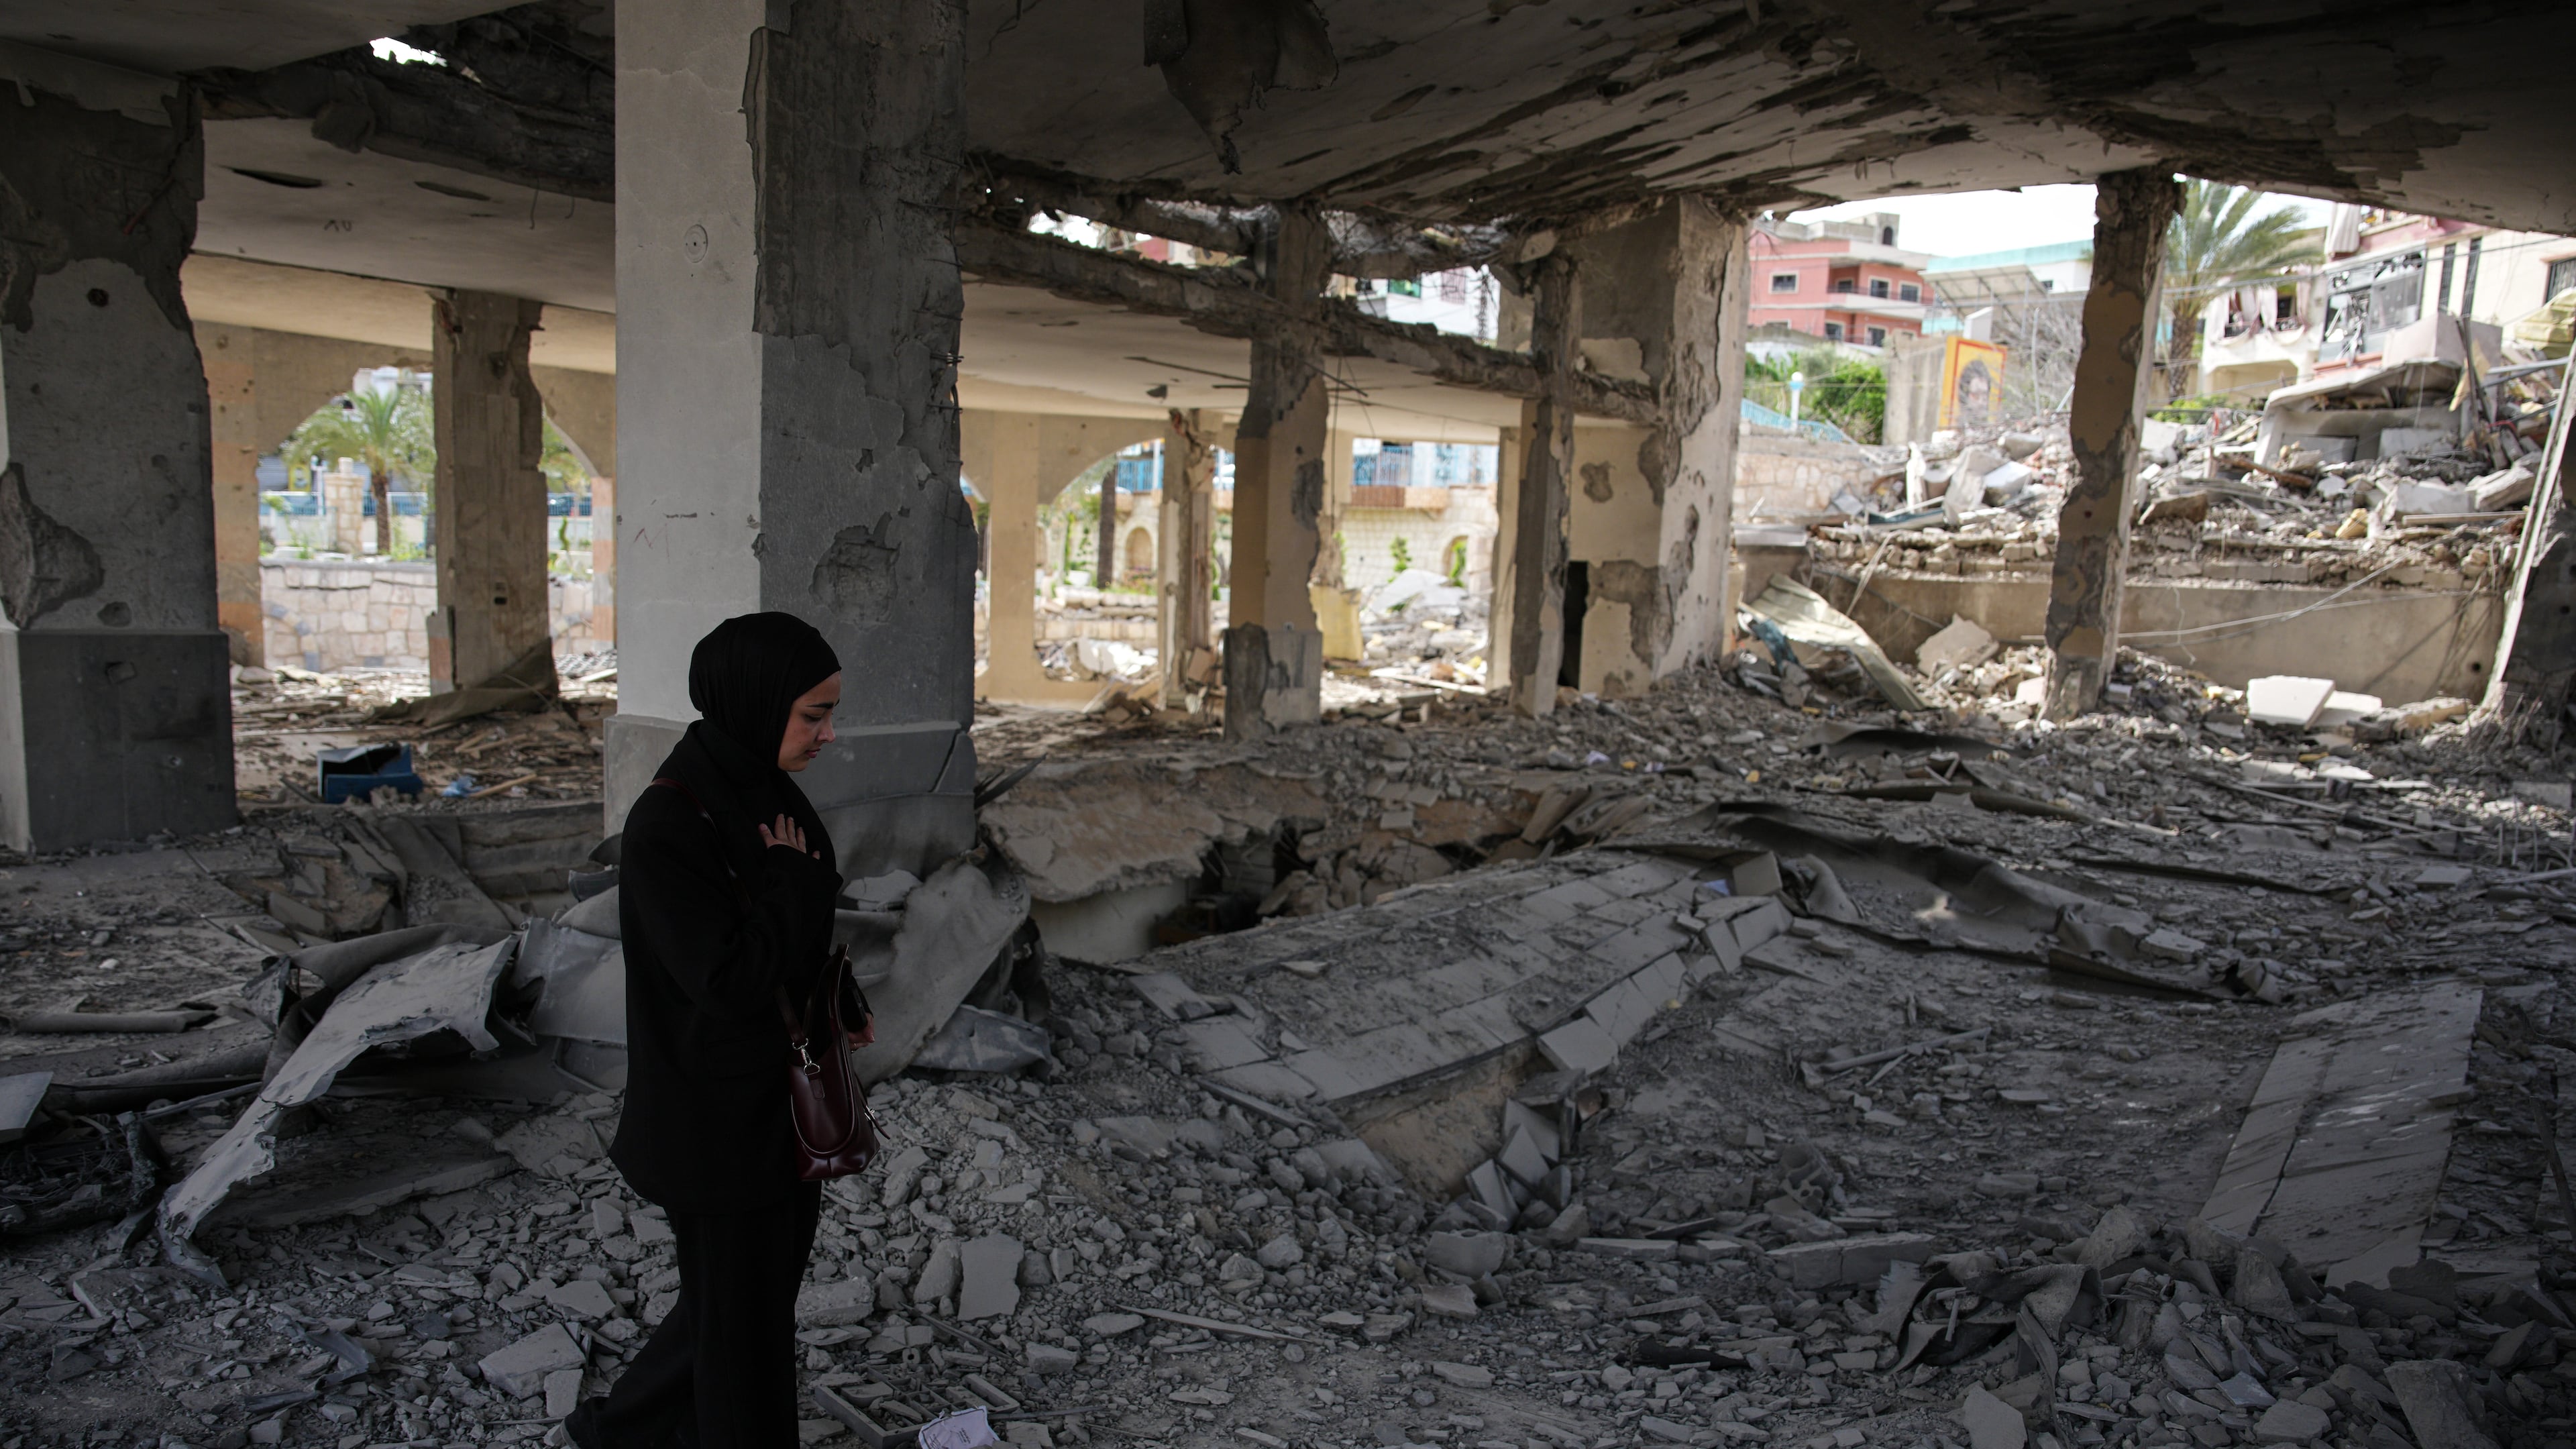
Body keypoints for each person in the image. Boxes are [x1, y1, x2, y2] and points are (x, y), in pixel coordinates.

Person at [569, 611, 867, 1449]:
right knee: (745, 1341)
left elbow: (795, 933)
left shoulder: (764, 789)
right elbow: (727, 981)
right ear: (754, 702)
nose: (828, 735)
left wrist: (839, 999)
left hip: (777, 1107)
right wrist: (789, 885)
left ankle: (620, 1432)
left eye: (830, 713)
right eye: (813, 715)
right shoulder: (671, 826)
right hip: (714, 1121)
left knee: (739, 1305)